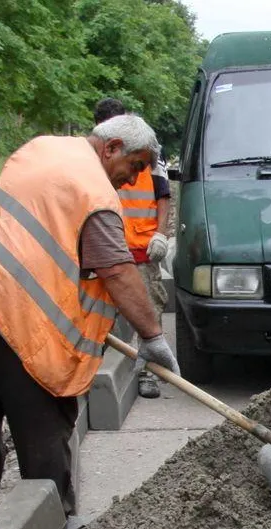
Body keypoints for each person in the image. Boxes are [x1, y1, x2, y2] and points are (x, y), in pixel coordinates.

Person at [0, 114, 180, 529]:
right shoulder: (94, 191)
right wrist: (153, 336)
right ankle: (55, 524)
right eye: (135, 165)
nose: (133, 179)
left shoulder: (42, 148)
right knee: (46, 418)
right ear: (111, 149)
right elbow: (119, 272)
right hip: (15, 315)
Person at [94, 98, 176, 399]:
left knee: (147, 307)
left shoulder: (147, 150)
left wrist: (160, 234)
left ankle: (149, 373)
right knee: (98, 310)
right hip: (107, 245)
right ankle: (92, 371)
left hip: (141, 247)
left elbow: (163, 194)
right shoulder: (97, 155)